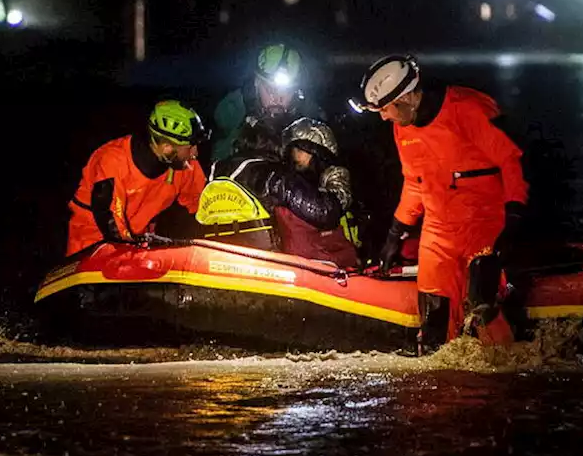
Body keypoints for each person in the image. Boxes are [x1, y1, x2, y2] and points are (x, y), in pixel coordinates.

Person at [351, 54, 529, 350]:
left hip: (484, 226)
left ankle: (506, 371)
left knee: (483, 306)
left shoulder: (468, 110)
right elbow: (414, 182)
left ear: (407, 97)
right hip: (438, 232)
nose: (383, 117)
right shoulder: (402, 127)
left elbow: (513, 161)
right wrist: (396, 232)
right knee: (434, 320)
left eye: (386, 108)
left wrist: (514, 218)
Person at [196, 120, 353, 266]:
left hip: (214, 258)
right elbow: (325, 211)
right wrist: (337, 182)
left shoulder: (216, 168)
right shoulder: (274, 174)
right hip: (262, 265)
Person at [66, 100, 210, 256]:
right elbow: (113, 231)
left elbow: (204, 209)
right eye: (190, 147)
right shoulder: (111, 162)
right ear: (166, 148)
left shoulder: (185, 165)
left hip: (138, 248)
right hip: (91, 246)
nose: (195, 153)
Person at [211, 43, 325, 162]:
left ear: (296, 91)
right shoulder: (234, 112)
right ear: (257, 82)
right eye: (270, 90)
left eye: (286, 91)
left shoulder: (310, 121)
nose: (277, 99)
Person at [275, 117, 361, 268]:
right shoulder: (291, 178)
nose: (297, 155)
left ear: (316, 152)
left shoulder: (334, 174)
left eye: (302, 150)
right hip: (307, 253)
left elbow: (335, 205)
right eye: (295, 150)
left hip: (337, 252)